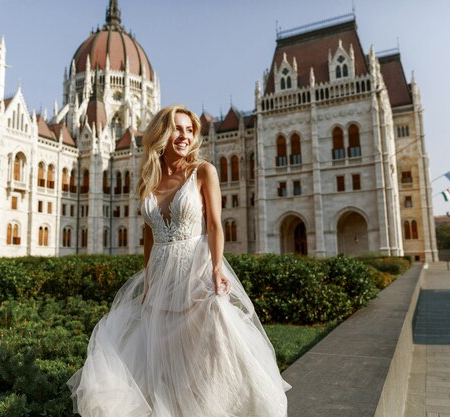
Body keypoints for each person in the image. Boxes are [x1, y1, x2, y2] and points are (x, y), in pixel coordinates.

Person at [67, 105, 290, 417]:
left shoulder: (203, 171)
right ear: (161, 133)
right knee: (163, 351)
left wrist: (215, 268)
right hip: (160, 271)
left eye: (189, 130)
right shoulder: (147, 177)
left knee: (206, 342)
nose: (184, 135)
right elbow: (149, 235)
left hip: (194, 267)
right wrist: (147, 278)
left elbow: (214, 225)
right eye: (177, 128)